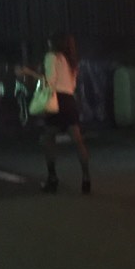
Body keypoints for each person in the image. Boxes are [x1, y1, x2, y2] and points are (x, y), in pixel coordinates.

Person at [17, 32, 91, 195]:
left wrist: (28, 72)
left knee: (48, 139)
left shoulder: (52, 57)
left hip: (57, 100)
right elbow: (72, 84)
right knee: (78, 141)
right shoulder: (72, 61)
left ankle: (52, 179)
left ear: (55, 43)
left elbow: (49, 81)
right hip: (70, 101)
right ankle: (86, 179)